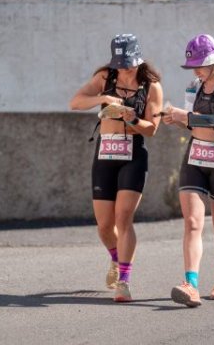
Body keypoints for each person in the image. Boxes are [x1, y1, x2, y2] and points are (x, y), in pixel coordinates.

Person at [69, 34, 163, 302]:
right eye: (121, 65)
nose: (125, 70)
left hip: (133, 153)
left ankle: (124, 280)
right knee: (104, 225)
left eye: (129, 65)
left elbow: (152, 129)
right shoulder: (104, 77)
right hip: (105, 151)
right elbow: (75, 103)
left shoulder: (151, 86)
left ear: (138, 59)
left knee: (123, 218)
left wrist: (132, 118)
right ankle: (114, 257)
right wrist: (104, 100)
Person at [163, 34, 214, 308]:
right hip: (195, 157)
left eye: (199, 64)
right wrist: (174, 119)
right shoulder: (193, 87)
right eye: (193, 66)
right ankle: (191, 284)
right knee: (193, 223)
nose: (196, 70)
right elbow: (191, 123)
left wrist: (185, 117)